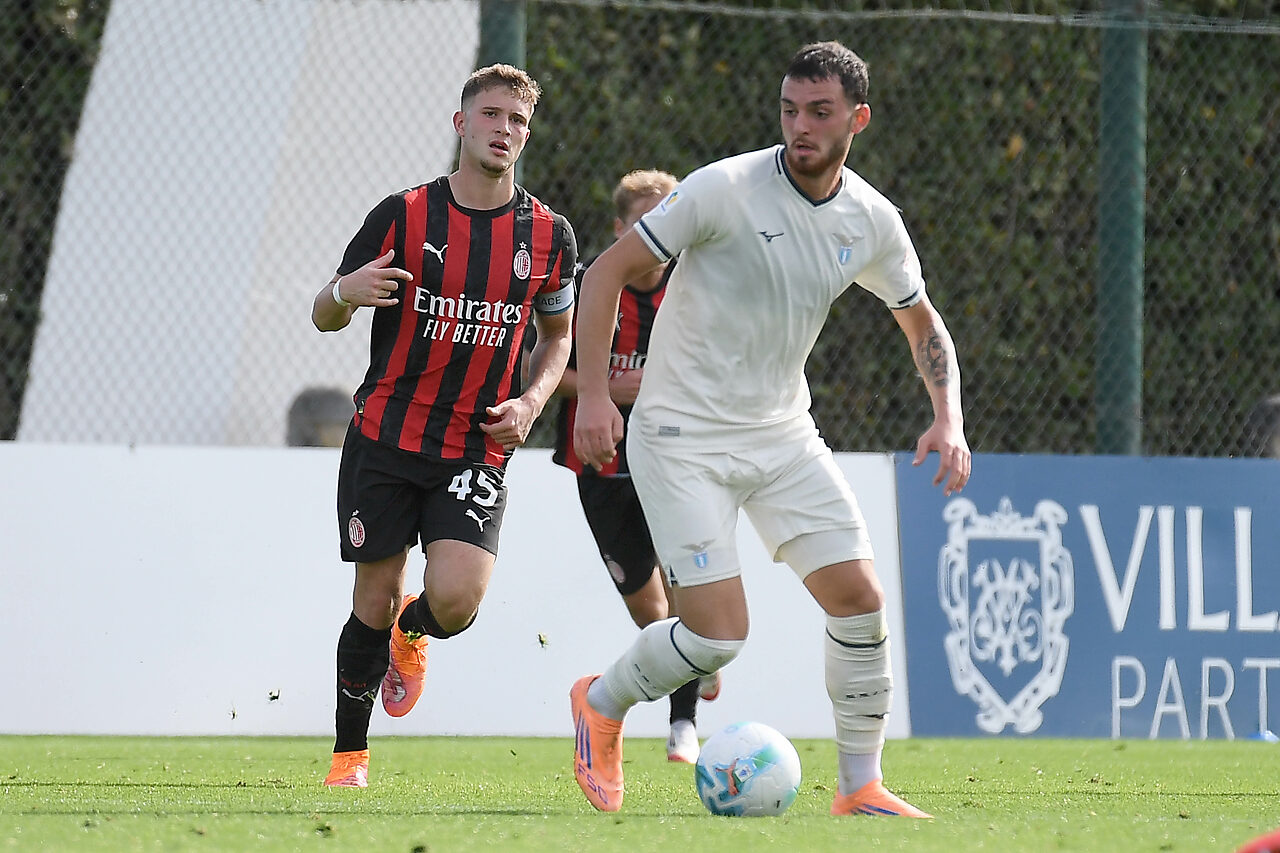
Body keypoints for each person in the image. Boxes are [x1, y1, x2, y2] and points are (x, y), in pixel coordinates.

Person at [567, 41, 971, 817]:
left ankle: (859, 785)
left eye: (820, 112)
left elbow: (921, 320)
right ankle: (601, 701)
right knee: (717, 637)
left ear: (858, 119)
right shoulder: (723, 188)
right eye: (790, 110)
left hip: (783, 435)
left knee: (859, 597)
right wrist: (591, 397)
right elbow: (607, 272)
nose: (800, 127)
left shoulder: (871, 219)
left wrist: (947, 417)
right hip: (680, 435)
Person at [311, 64, 577, 788]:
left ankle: (414, 628)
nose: (503, 129)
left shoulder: (549, 235)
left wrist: (531, 403)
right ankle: (349, 756)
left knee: (456, 603)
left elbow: (557, 338)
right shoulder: (402, 216)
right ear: (461, 123)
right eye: (491, 114)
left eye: (517, 120)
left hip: (475, 446)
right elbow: (323, 314)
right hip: (386, 438)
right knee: (371, 596)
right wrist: (345, 290)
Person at [550, 170, 720, 765]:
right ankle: (698, 657)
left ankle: (683, 725)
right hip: (600, 467)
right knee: (649, 612)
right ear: (621, 229)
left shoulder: (696, 288)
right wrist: (607, 389)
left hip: (675, 460)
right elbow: (539, 370)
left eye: (667, 217)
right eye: (645, 220)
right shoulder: (588, 286)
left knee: (686, 592)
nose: (658, 232)